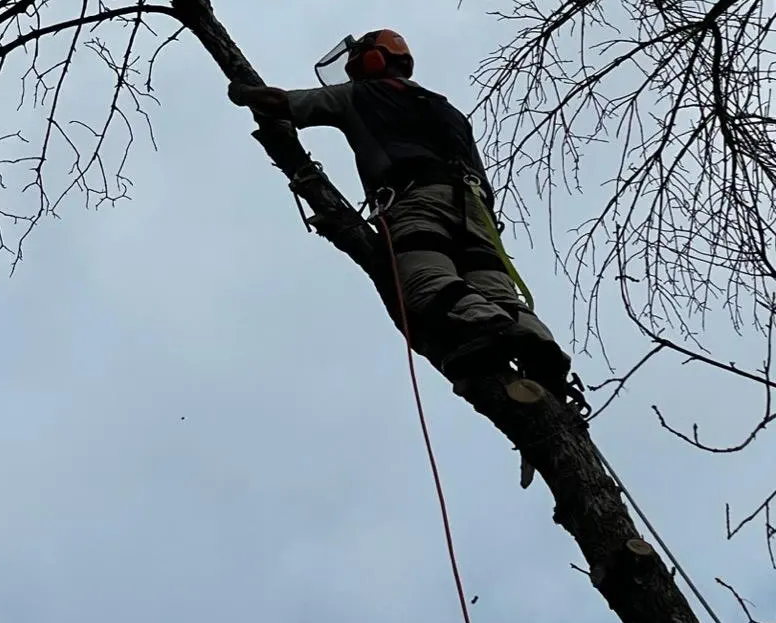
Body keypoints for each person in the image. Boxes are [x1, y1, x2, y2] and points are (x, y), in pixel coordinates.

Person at [228, 29, 572, 397]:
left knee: (424, 278)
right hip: (477, 210)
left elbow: (284, 103)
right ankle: (538, 345)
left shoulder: (358, 94)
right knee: (496, 287)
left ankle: (488, 327)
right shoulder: (445, 108)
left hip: (415, 198)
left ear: (375, 58)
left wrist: (244, 94)